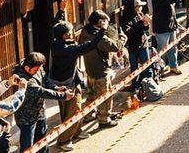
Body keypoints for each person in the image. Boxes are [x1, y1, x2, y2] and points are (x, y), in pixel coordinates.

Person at [47, 12, 106, 147]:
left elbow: (55, 27)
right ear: (65, 35)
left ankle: (76, 131)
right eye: (70, 32)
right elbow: (90, 45)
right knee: (73, 111)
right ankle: (64, 140)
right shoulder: (69, 49)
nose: (73, 33)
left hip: (60, 82)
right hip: (69, 84)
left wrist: (61, 11)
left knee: (67, 110)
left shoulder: (55, 43)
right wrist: (102, 30)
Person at [13, 52, 73, 152]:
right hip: (26, 117)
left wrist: (56, 88)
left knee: (42, 141)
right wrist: (63, 96)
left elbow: (45, 80)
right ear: (27, 68)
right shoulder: (22, 79)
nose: (38, 71)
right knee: (28, 146)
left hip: (40, 111)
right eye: (36, 69)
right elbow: (41, 91)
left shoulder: (37, 68)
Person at [78, 10, 124, 128]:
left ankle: (88, 115)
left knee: (91, 95)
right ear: (100, 22)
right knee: (105, 96)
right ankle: (104, 119)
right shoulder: (98, 36)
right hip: (101, 70)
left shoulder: (84, 31)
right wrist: (122, 38)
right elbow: (114, 46)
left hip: (90, 69)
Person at [149, 0, 185, 75]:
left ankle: (173, 66)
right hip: (162, 26)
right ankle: (157, 68)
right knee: (162, 49)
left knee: (173, 47)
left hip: (171, 24)